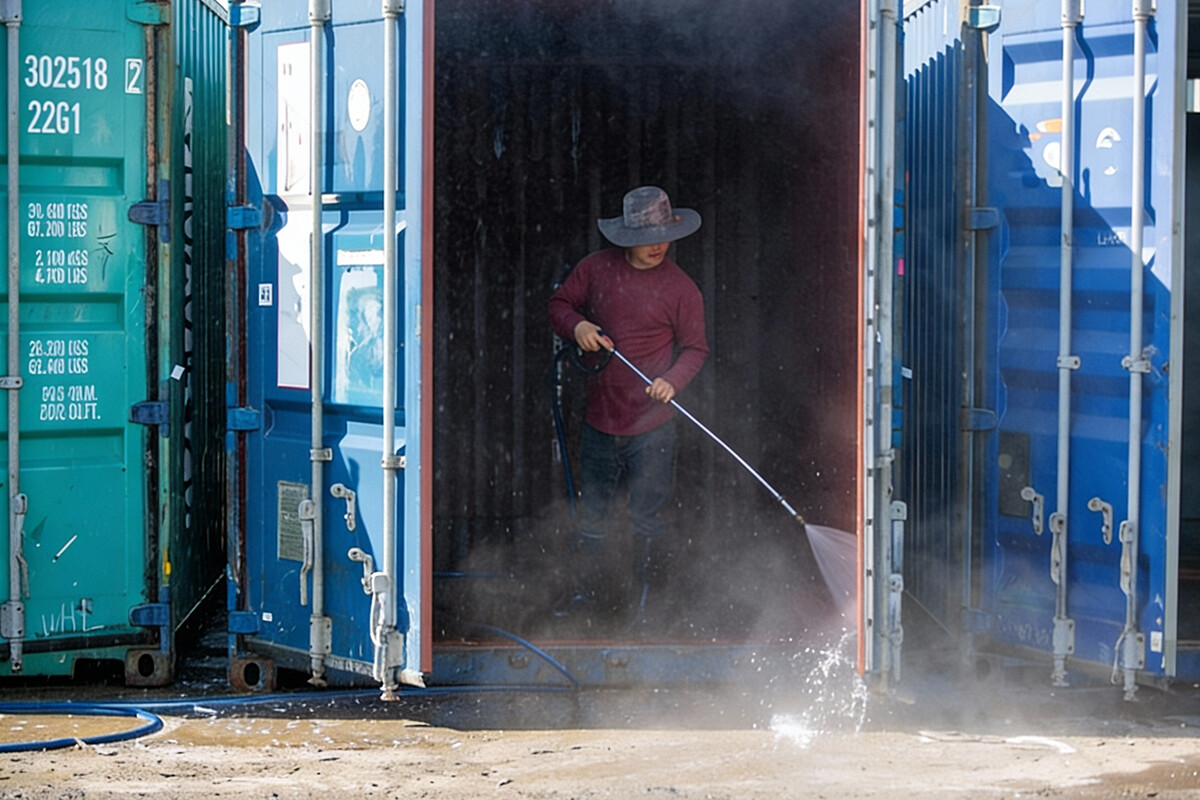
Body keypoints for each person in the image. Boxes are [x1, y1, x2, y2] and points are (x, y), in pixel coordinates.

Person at [548, 185, 709, 628]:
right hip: (600, 421)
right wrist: (578, 326)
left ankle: (648, 607)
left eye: (664, 237)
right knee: (594, 515)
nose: (658, 246)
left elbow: (695, 348)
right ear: (626, 237)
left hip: (654, 425)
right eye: (647, 238)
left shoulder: (681, 289)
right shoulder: (596, 269)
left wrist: (672, 381)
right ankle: (589, 598)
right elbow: (559, 305)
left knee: (647, 518)